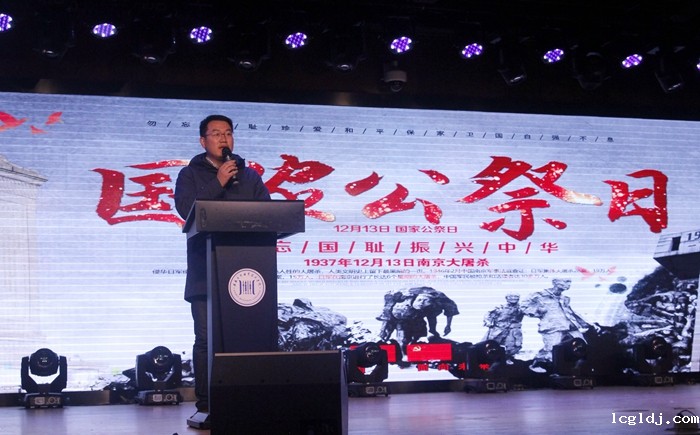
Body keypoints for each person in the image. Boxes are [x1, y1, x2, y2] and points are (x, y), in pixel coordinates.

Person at [174, 114, 271, 416]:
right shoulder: (190, 174)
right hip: (205, 271)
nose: (223, 138)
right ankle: (207, 404)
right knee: (205, 338)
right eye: (216, 133)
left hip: (247, 272)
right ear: (203, 141)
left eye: (228, 133)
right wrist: (218, 182)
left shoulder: (250, 176)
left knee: (248, 337)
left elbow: (269, 215)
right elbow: (186, 210)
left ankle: (249, 400)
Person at [520, 278, 591, 366]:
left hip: (570, 326)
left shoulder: (564, 298)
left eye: (569, 282)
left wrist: (587, 323)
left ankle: (577, 368)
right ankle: (537, 364)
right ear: (555, 283)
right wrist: (538, 310)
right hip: (552, 327)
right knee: (551, 350)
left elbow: (571, 312)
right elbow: (523, 307)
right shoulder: (539, 295)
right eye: (565, 281)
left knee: (582, 346)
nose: (568, 284)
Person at [483, 293, 524, 358]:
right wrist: (488, 322)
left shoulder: (522, 308)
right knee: (491, 345)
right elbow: (488, 314)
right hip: (499, 329)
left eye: (515, 297)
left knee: (514, 346)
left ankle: (507, 358)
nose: (513, 298)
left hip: (513, 330)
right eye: (511, 297)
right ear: (507, 298)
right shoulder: (501, 308)